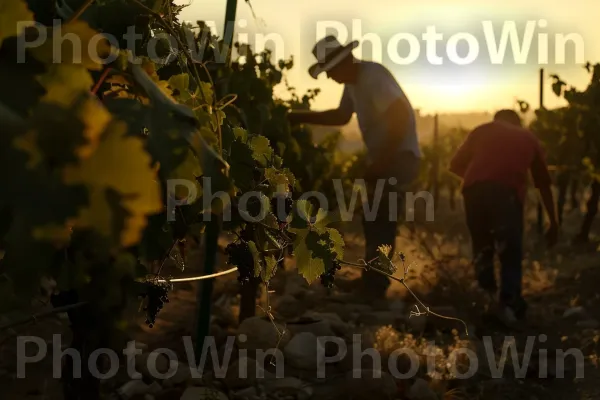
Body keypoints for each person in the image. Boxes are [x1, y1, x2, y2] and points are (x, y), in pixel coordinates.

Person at [287, 35, 421, 300]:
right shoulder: (353, 82)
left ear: (345, 62)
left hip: (399, 158)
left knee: (379, 218)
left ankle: (373, 289)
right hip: (387, 158)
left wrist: (383, 161)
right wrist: (295, 117)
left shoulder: (373, 76)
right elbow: (341, 116)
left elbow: (400, 115)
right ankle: (371, 281)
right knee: (373, 218)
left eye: (331, 71)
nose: (329, 77)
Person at [449, 109, 559, 325]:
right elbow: (543, 184)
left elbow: (454, 165)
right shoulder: (528, 137)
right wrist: (553, 221)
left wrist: (482, 178)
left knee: (482, 246)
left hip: (472, 191)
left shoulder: (481, 130)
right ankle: (509, 303)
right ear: (517, 122)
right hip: (505, 192)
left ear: (496, 120)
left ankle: (485, 298)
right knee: (510, 248)